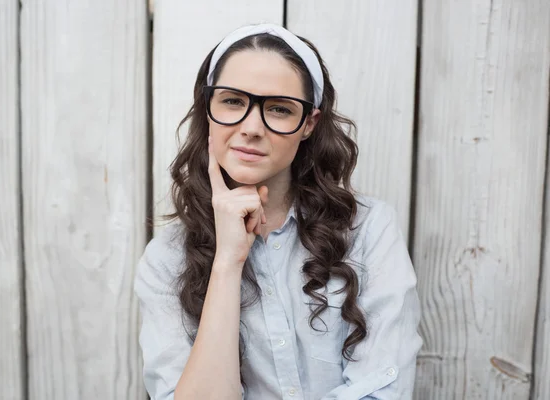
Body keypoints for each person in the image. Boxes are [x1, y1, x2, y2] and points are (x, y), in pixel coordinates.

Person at [135, 23, 422, 400]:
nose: (251, 127)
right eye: (233, 101)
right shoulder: (165, 260)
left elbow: (383, 390)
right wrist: (227, 263)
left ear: (308, 124)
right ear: (208, 108)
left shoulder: (368, 231)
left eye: (279, 109)